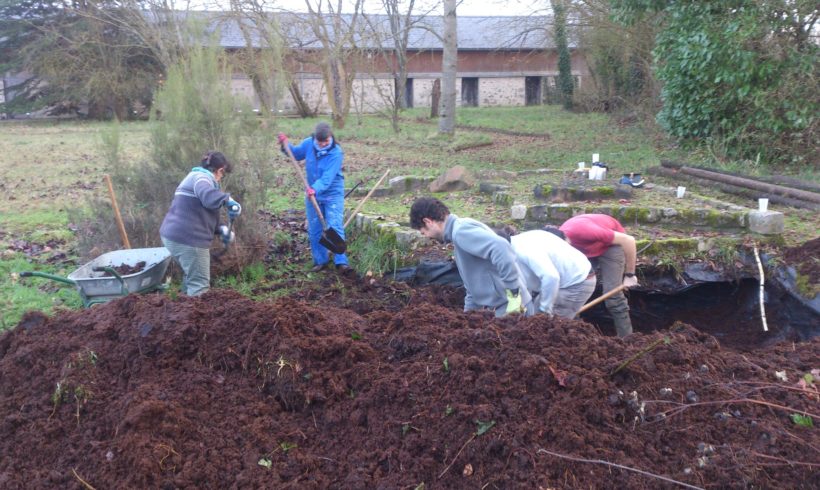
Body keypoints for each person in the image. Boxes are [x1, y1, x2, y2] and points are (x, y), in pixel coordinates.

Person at [409, 197, 532, 317]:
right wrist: (466, 319)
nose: (426, 236)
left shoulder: (461, 231)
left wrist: (514, 295)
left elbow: (501, 248)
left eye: (423, 232)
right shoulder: (458, 235)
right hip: (502, 309)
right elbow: (472, 289)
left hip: (513, 310)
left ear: (428, 222)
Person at [160, 151, 241, 296]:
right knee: (199, 286)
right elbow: (208, 198)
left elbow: (205, 211)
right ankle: (193, 315)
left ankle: (181, 310)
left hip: (173, 237)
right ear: (220, 170)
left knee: (191, 276)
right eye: (223, 174)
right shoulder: (202, 179)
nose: (221, 178)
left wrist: (222, 229)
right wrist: (228, 200)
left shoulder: (193, 177)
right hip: (189, 241)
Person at [278, 122, 349, 272]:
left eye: (326, 141)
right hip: (313, 195)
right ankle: (320, 261)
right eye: (320, 142)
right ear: (315, 138)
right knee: (315, 228)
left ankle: (341, 262)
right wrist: (286, 145)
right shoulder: (309, 144)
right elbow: (296, 154)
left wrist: (314, 189)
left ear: (331, 138)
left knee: (334, 225)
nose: (323, 144)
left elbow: (327, 178)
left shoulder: (336, 152)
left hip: (332, 193)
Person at [555, 214, 639, 337]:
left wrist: (630, 275)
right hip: (585, 249)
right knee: (574, 292)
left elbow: (628, 240)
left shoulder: (585, 232)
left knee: (613, 296)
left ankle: (627, 338)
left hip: (611, 246)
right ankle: (577, 337)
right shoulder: (558, 247)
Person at [496, 227, 596, 319]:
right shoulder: (516, 244)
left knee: (547, 327)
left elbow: (551, 277)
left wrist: (544, 311)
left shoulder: (525, 249)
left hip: (575, 284)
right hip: (564, 281)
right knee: (532, 317)